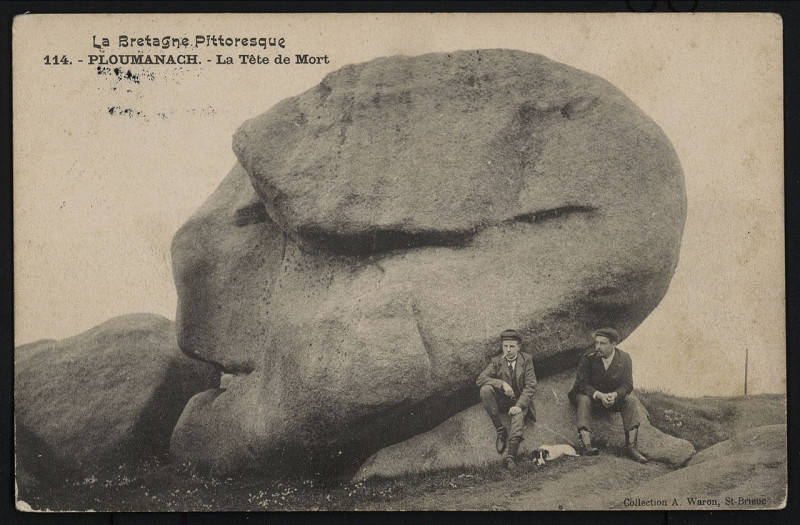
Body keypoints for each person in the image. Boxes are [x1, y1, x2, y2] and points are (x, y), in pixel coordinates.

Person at [568, 328, 648, 463]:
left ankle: (631, 447)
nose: (598, 347)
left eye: (603, 344)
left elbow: (628, 384)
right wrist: (599, 395)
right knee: (584, 399)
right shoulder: (589, 357)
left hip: (611, 398)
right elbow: (582, 384)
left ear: (614, 344)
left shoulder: (625, 358)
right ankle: (587, 446)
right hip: (590, 396)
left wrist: (615, 395)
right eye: (596, 343)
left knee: (630, 401)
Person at [476, 329, 537, 470]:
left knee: (517, 417)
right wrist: (501, 384)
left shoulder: (526, 360)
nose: (508, 350)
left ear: (518, 347)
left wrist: (520, 405)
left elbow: (531, 386)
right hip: (503, 400)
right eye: (505, 346)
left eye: (512, 346)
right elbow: (480, 380)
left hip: (519, 400)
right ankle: (500, 430)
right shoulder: (497, 361)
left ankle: (511, 457)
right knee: (485, 389)